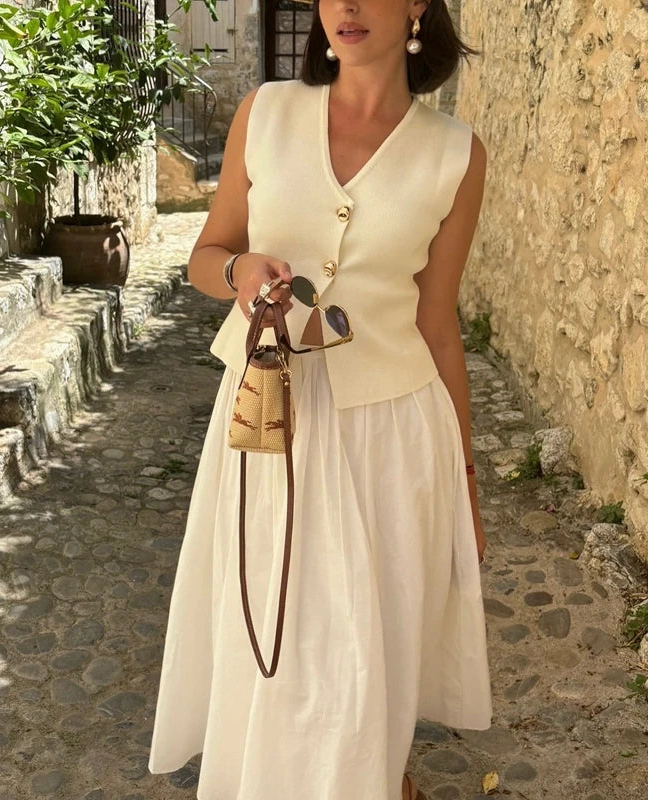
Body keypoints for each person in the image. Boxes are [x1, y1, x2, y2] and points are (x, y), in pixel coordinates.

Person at [148, 0, 492, 797]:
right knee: (275, 644)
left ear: (416, 4)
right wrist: (238, 272)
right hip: (269, 423)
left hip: (391, 434)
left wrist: (467, 483)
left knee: (366, 659)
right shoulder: (266, 114)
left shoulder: (456, 155)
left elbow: (438, 326)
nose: (348, 6)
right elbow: (207, 254)